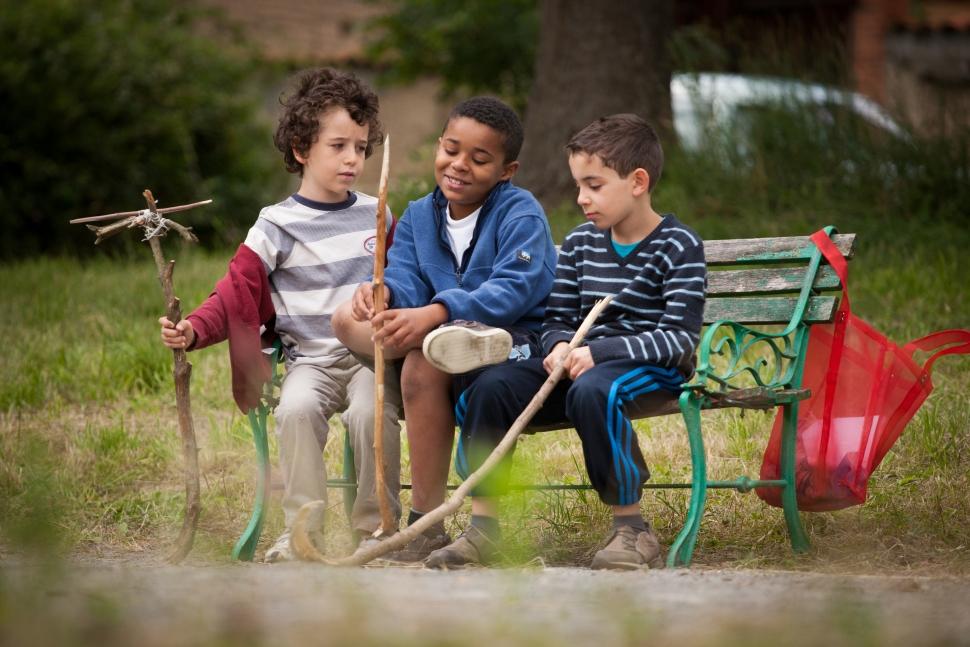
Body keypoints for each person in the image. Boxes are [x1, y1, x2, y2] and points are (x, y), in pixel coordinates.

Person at [423, 113, 707, 570]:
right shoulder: (579, 244)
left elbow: (678, 337)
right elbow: (557, 318)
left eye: (594, 185)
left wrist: (601, 353)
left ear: (637, 181)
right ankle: (485, 529)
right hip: (576, 363)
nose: (581, 198)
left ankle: (632, 529)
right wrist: (557, 346)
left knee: (600, 387)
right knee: (490, 385)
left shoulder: (677, 245)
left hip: (648, 367)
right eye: (578, 186)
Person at [158, 68, 402, 562]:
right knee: (293, 410)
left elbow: (404, 281)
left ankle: (378, 529)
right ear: (300, 148)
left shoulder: (378, 215)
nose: (353, 158)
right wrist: (194, 329)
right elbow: (235, 292)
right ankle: (304, 532)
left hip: (368, 359)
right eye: (338, 146)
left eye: (360, 146)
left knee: (371, 412)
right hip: (309, 362)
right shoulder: (276, 224)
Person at [333, 96, 557, 561]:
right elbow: (404, 273)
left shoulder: (520, 213)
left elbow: (515, 289)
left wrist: (437, 313)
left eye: (479, 159)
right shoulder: (419, 214)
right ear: (438, 145)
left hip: (513, 340)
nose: (459, 165)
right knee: (356, 325)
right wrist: (385, 296)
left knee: (428, 354)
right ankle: (428, 524)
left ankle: (426, 519)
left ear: (506, 170)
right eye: (451, 150)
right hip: (440, 341)